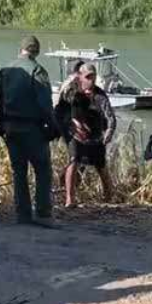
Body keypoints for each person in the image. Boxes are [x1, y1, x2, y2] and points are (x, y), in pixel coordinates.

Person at [0, 35, 60, 227]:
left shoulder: (5, 70)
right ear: (36, 51)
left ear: (20, 49)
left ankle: (22, 215)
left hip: (11, 129)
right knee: (42, 170)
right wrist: (53, 127)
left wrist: (3, 122)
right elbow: (45, 105)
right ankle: (43, 214)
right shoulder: (38, 71)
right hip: (33, 129)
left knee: (19, 172)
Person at [54, 63, 116, 208]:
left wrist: (109, 133)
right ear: (80, 77)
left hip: (95, 137)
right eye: (88, 77)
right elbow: (59, 111)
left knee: (101, 167)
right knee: (73, 160)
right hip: (76, 135)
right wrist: (70, 124)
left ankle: (108, 199)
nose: (91, 80)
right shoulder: (71, 92)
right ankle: (70, 200)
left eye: (93, 77)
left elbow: (111, 117)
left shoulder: (100, 95)